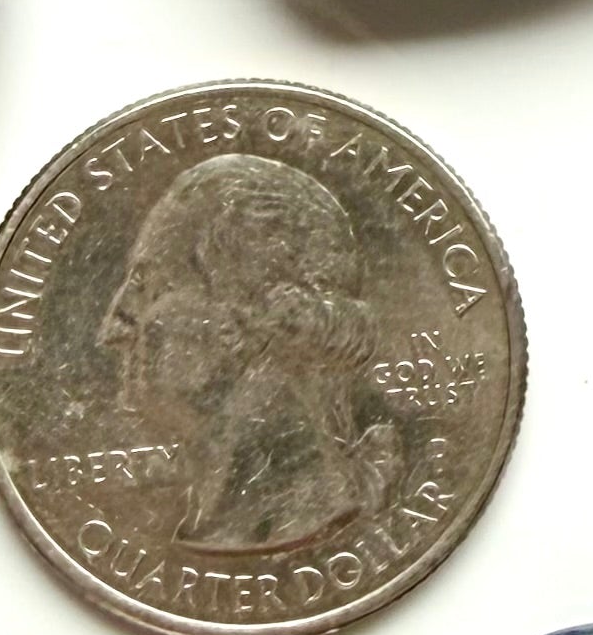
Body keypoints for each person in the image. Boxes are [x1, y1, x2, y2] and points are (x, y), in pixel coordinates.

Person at [100, 154, 404, 554]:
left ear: (248, 319)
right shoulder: (233, 522)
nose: (113, 331)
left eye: (147, 282)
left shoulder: (283, 520)